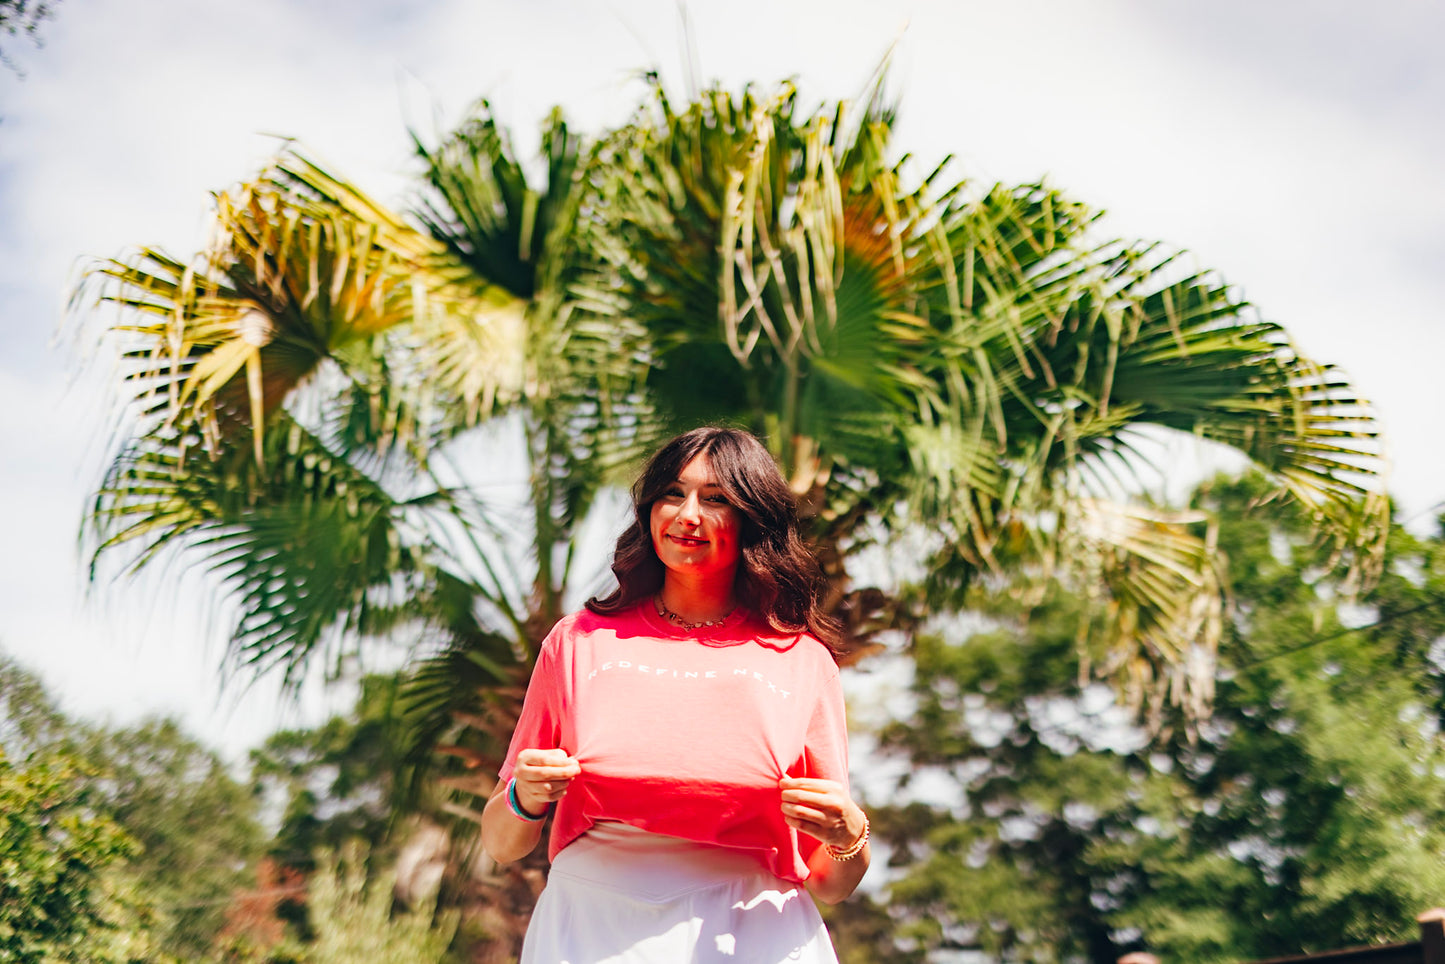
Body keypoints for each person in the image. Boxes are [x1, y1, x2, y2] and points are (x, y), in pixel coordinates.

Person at [481, 426, 870, 963]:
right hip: (593, 925)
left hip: (752, 932)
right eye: (672, 493)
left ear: (752, 521)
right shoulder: (578, 642)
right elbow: (502, 844)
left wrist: (851, 837)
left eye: (716, 500)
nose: (688, 515)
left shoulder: (804, 663)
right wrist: (524, 796)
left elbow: (831, 882)